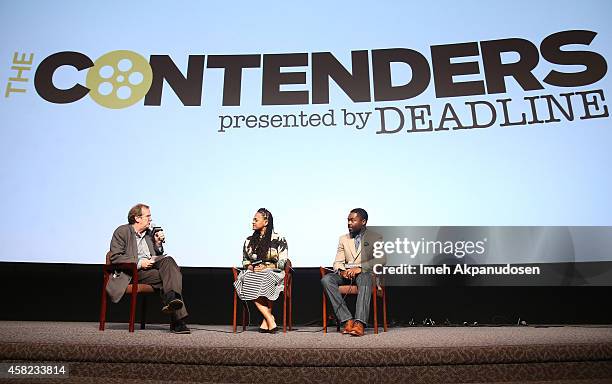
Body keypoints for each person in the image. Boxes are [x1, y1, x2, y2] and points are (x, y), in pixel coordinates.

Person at [107, 203, 190, 334]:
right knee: (170, 278)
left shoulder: (149, 234)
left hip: (150, 271)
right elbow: (115, 257)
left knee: (169, 262)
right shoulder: (122, 231)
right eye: (148, 216)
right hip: (131, 273)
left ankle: (172, 299)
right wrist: (140, 263)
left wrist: (157, 243)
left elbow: (156, 256)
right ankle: (178, 321)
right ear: (137, 218)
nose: (150, 219)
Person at [321, 208, 382, 337]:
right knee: (326, 279)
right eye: (348, 220)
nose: (349, 223)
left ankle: (359, 323)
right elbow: (337, 261)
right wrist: (342, 271)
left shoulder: (375, 237)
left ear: (363, 221)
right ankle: (347, 320)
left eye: (353, 220)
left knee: (365, 278)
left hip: (365, 273)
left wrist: (360, 268)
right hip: (347, 274)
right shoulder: (343, 239)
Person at [233, 208, 288, 333]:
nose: (253, 222)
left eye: (256, 220)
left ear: (266, 222)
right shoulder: (248, 241)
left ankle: (266, 320)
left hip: (273, 271)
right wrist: (251, 267)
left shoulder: (279, 239)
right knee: (246, 278)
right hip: (255, 271)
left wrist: (267, 267)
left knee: (266, 276)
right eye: (253, 219)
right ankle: (269, 317)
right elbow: (245, 261)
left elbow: (283, 262)